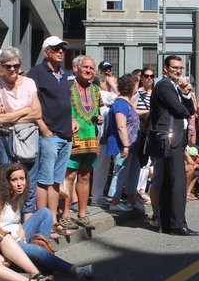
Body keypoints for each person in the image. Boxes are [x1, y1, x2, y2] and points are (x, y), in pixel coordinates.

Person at [0, 163, 93, 280]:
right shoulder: (1, 200)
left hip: (19, 236)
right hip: (9, 244)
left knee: (45, 212)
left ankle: (41, 249)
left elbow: (14, 220)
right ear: (7, 182)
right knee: (38, 251)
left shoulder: (18, 196)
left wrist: (20, 227)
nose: (19, 183)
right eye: (14, 180)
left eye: (22, 179)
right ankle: (76, 270)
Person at [28, 36, 74, 233]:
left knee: (56, 181)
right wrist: (43, 128)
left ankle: (53, 220)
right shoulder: (37, 72)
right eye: (56, 48)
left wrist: (72, 121)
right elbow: (32, 102)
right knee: (44, 180)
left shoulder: (64, 74)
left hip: (65, 135)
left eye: (62, 48)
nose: (61, 51)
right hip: (49, 134)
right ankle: (43, 221)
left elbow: (65, 103)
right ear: (46, 51)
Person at [150, 55, 198, 235]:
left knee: (173, 181)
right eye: (174, 68)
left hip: (176, 138)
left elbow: (191, 110)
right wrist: (185, 97)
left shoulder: (175, 87)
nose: (178, 71)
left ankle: (169, 223)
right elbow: (182, 110)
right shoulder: (163, 85)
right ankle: (177, 224)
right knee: (177, 182)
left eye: (180, 68)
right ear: (165, 69)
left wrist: (186, 93)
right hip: (169, 139)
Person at [63, 56, 101, 229]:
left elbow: (96, 110)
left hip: (91, 137)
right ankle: (65, 215)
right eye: (85, 67)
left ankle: (82, 214)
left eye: (92, 68)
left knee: (85, 176)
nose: (88, 70)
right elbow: (62, 109)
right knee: (69, 176)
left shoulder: (95, 89)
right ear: (76, 68)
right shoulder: (68, 88)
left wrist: (99, 117)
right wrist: (70, 119)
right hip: (74, 137)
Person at [0, 46, 41, 167]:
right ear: (1, 66)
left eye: (16, 66)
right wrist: (26, 110)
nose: (12, 69)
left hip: (27, 135)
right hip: (6, 138)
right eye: (8, 66)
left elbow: (38, 113)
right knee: (6, 174)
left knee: (28, 178)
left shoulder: (29, 83)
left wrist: (10, 117)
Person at [104, 73, 142, 212]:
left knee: (133, 172)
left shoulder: (127, 102)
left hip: (131, 146)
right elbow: (121, 126)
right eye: (137, 84)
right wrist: (126, 145)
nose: (138, 86)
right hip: (122, 146)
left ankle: (132, 200)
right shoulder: (120, 103)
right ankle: (114, 202)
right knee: (120, 173)